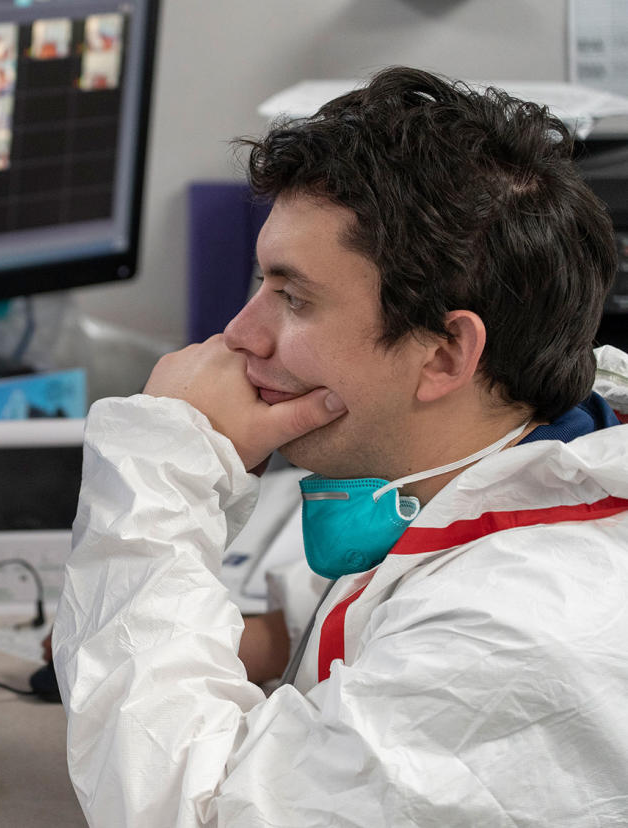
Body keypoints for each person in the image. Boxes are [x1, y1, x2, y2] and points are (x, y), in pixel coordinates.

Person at [51, 66, 628, 827]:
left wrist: (164, 470)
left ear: (446, 354)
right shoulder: (515, 451)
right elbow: (343, 611)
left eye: (293, 298)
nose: (239, 335)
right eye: (262, 283)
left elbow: (184, 814)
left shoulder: (511, 637)